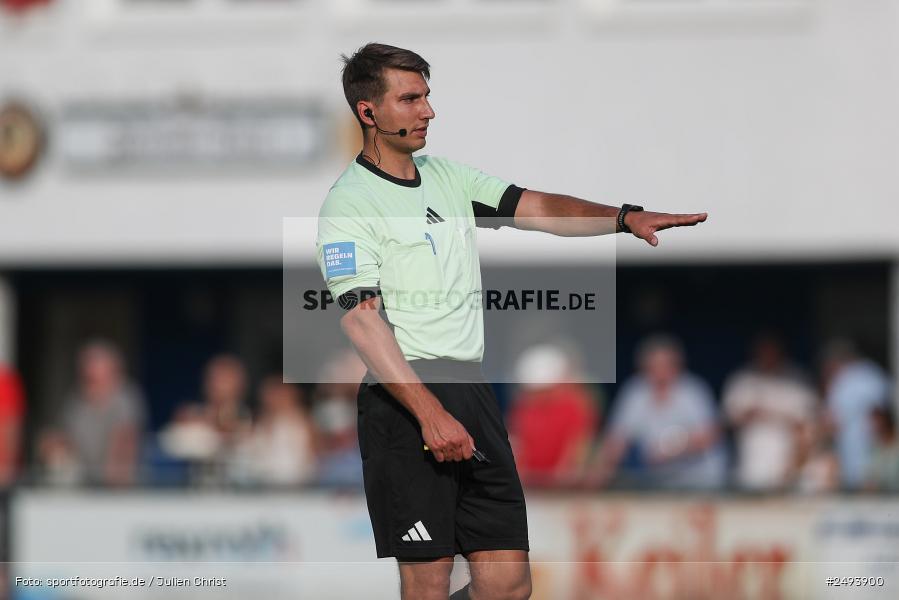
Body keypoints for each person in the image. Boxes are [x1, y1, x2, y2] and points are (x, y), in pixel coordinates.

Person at [316, 43, 707, 600]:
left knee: (508, 584)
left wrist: (623, 218)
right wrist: (428, 414)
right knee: (427, 584)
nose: (428, 111)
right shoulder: (349, 205)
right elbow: (361, 323)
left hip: (470, 390)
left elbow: (539, 207)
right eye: (410, 99)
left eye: (427, 96)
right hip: (404, 402)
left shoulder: (448, 179)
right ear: (368, 112)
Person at [583, 335, 725, 490]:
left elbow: (709, 435)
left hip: (700, 481)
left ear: (676, 365)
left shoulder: (693, 390)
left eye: (664, 365)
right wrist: (600, 469)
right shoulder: (635, 391)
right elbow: (617, 439)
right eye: (652, 365)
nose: (658, 371)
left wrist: (669, 450)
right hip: (657, 482)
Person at [723, 333, 816, 491]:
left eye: (772, 351)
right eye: (763, 352)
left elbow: (808, 427)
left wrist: (795, 464)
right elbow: (729, 419)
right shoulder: (742, 380)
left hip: (790, 468)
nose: (768, 356)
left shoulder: (798, 380)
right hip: (751, 466)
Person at [49, 340, 145, 486]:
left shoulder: (125, 400)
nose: (89, 383)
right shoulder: (75, 402)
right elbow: (65, 442)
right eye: (86, 377)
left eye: (94, 378)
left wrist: (111, 483)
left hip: (118, 489)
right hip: (83, 485)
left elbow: (124, 446)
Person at [507, 344, 600, 487]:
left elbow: (577, 450)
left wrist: (561, 481)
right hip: (529, 487)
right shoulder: (522, 408)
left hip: (562, 490)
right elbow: (516, 447)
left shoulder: (576, 405)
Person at [820, 339, 890, 489]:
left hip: (868, 461)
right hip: (861, 462)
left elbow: (832, 422)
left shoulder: (844, 380)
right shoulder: (874, 374)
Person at [863, 406, 899, 492]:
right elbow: (870, 479)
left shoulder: (896, 447)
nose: (873, 426)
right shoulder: (875, 449)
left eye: (877, 422)